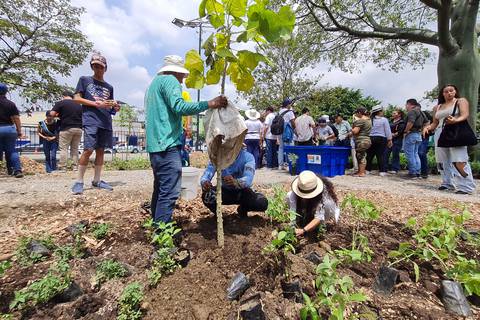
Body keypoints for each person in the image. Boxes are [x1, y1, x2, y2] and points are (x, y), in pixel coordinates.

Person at [145, 55, 227, 223]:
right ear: (176, 72)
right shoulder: (170, 81)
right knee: (169, 192)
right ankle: (162, 237)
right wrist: (209, 103)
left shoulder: (153, 84)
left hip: (155, 146)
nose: (182, 81)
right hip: (167, 144)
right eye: (182, 76)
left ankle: (156, 225)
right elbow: (180, 107)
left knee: (160, 188)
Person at [72, 53, 119, 194]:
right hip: (91, 119)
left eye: (100, 66)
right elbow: (76, 98)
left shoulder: (109, 87)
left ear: (105, 69)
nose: (98, 69)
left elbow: (109, 106)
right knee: (88, 149)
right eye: (95, 66)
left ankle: (97, 180)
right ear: (92, 66)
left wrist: (115, 107)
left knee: (101, 151)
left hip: (105, 121)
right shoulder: (85, 80)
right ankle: (79, 181)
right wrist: (94, 103)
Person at [423, 84, 476, 194]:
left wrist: (456, 120)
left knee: (459, 159)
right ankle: (447, 183)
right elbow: (435, 123)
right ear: (442, 94)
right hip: (439, 133)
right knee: (442, 160)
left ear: (455, 91)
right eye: (446, 91)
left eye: (451, 90)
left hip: (455, 132)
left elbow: (465, 114)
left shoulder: (460, 101)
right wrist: (428, 127)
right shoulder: (437, 107)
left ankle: (466, 186)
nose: (449, 93)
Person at [200, 148, 268, 216]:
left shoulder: (248, 157)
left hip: (243, 192)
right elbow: (207, 174)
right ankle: (219, 215)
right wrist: (205, 182)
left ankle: (243, 209)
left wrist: (236, 182)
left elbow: (248, 179)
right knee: (207, 196)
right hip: (224, 192)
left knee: (262, 203)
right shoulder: (217, 158)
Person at [286, 170, 340, 237]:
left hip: (325, 214)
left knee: (328, 205)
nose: (305, 197)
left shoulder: (324, 195)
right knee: (289, 196)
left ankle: (322, 226)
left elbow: (319, 217)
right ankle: (303, 219)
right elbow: (293, 211)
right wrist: (292, 226)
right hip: (308, 208)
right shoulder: (293, 195)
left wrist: (304, 230)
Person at [51, 90, 83, 171]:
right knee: (75, 149)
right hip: (78, 128)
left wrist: (58, 115)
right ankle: (75, 166)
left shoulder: (61, 103)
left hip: (66, 128)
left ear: (64, 96)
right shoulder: (79, 104)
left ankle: (63, 166)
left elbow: (52, 114)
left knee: (64, 148)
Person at [0, 83, 23, 178]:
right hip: (9, 128)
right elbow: (16, 118)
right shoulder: (10, 104)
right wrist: (19, 130)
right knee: (12, 150)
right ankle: (16, 170)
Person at [403, 98, 428, 179]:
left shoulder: (412, 111)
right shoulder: (421, 112)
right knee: (415, 154)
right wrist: (422, 130)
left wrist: (406, 131)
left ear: (410, 104)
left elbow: (410, 122)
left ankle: (412, 172)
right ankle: (417, 172)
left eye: (406, 105)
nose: (406, 107)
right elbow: (427, 122)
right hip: (418, 135)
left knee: (410, 154)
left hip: (411, 134)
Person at [366, 106, 392, 176]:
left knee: (369, 155)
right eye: (382, 111)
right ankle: (382, 171)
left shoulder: (369, 119)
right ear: (379, 112)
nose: (383, 112)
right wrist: (390, 139)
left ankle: (368, 170)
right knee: (381, 155)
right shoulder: (384, 120)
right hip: (381, 138)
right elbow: (387, 130)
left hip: (370, 138)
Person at [351, 107, 372, 177]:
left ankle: (361, 173)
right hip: (367, 139)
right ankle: (360, 171)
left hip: (361, 140)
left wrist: (353, 126)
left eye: (356, 113)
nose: (355, 114)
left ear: (359, 113)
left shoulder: (361, 120)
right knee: (362, 155)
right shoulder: (369, 120)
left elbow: (355, 131)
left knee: (360, 156)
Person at [386, 109, 406, 174]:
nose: (393, 114)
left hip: (397, 140)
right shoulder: (391, 121)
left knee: (395, 154)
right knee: (386, 153)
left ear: (399, 114)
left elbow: (400, 132)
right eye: (393, 113)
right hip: (389, 139)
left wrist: (392, 135)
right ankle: (384, 167)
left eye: (394, 113)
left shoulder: (401, 122)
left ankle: (395, 168)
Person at [278, 98, 295, 169]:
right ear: (288, 104)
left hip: (280, 131)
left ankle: (280, 165)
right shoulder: (290, 112)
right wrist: (294, 129)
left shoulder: (279, 112)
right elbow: (293, 122)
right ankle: (289, 163)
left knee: (281, 147)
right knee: (290, 147)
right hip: (287, 131)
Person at [418, 110, 432, 179]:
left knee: (421, 153)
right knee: (418, 154)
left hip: (424, 137)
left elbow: (429, 125)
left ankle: (424, 172)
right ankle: (419, 171)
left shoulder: (425, 115)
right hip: (418, 137)